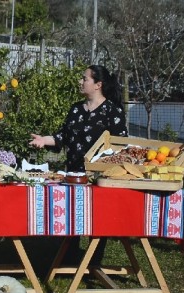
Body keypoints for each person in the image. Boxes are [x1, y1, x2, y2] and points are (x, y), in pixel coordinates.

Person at [29, 64, 128, 264]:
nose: (80, 82)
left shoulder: (112, 111)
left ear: (98, 85)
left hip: (99, 178)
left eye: (85, 79)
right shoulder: (76, 109)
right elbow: (63, 136)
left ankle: (94, 260)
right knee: (72, 215)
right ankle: (69, 255)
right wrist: (44, 140)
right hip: (73, 175)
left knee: (97, 218)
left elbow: (120, 147)